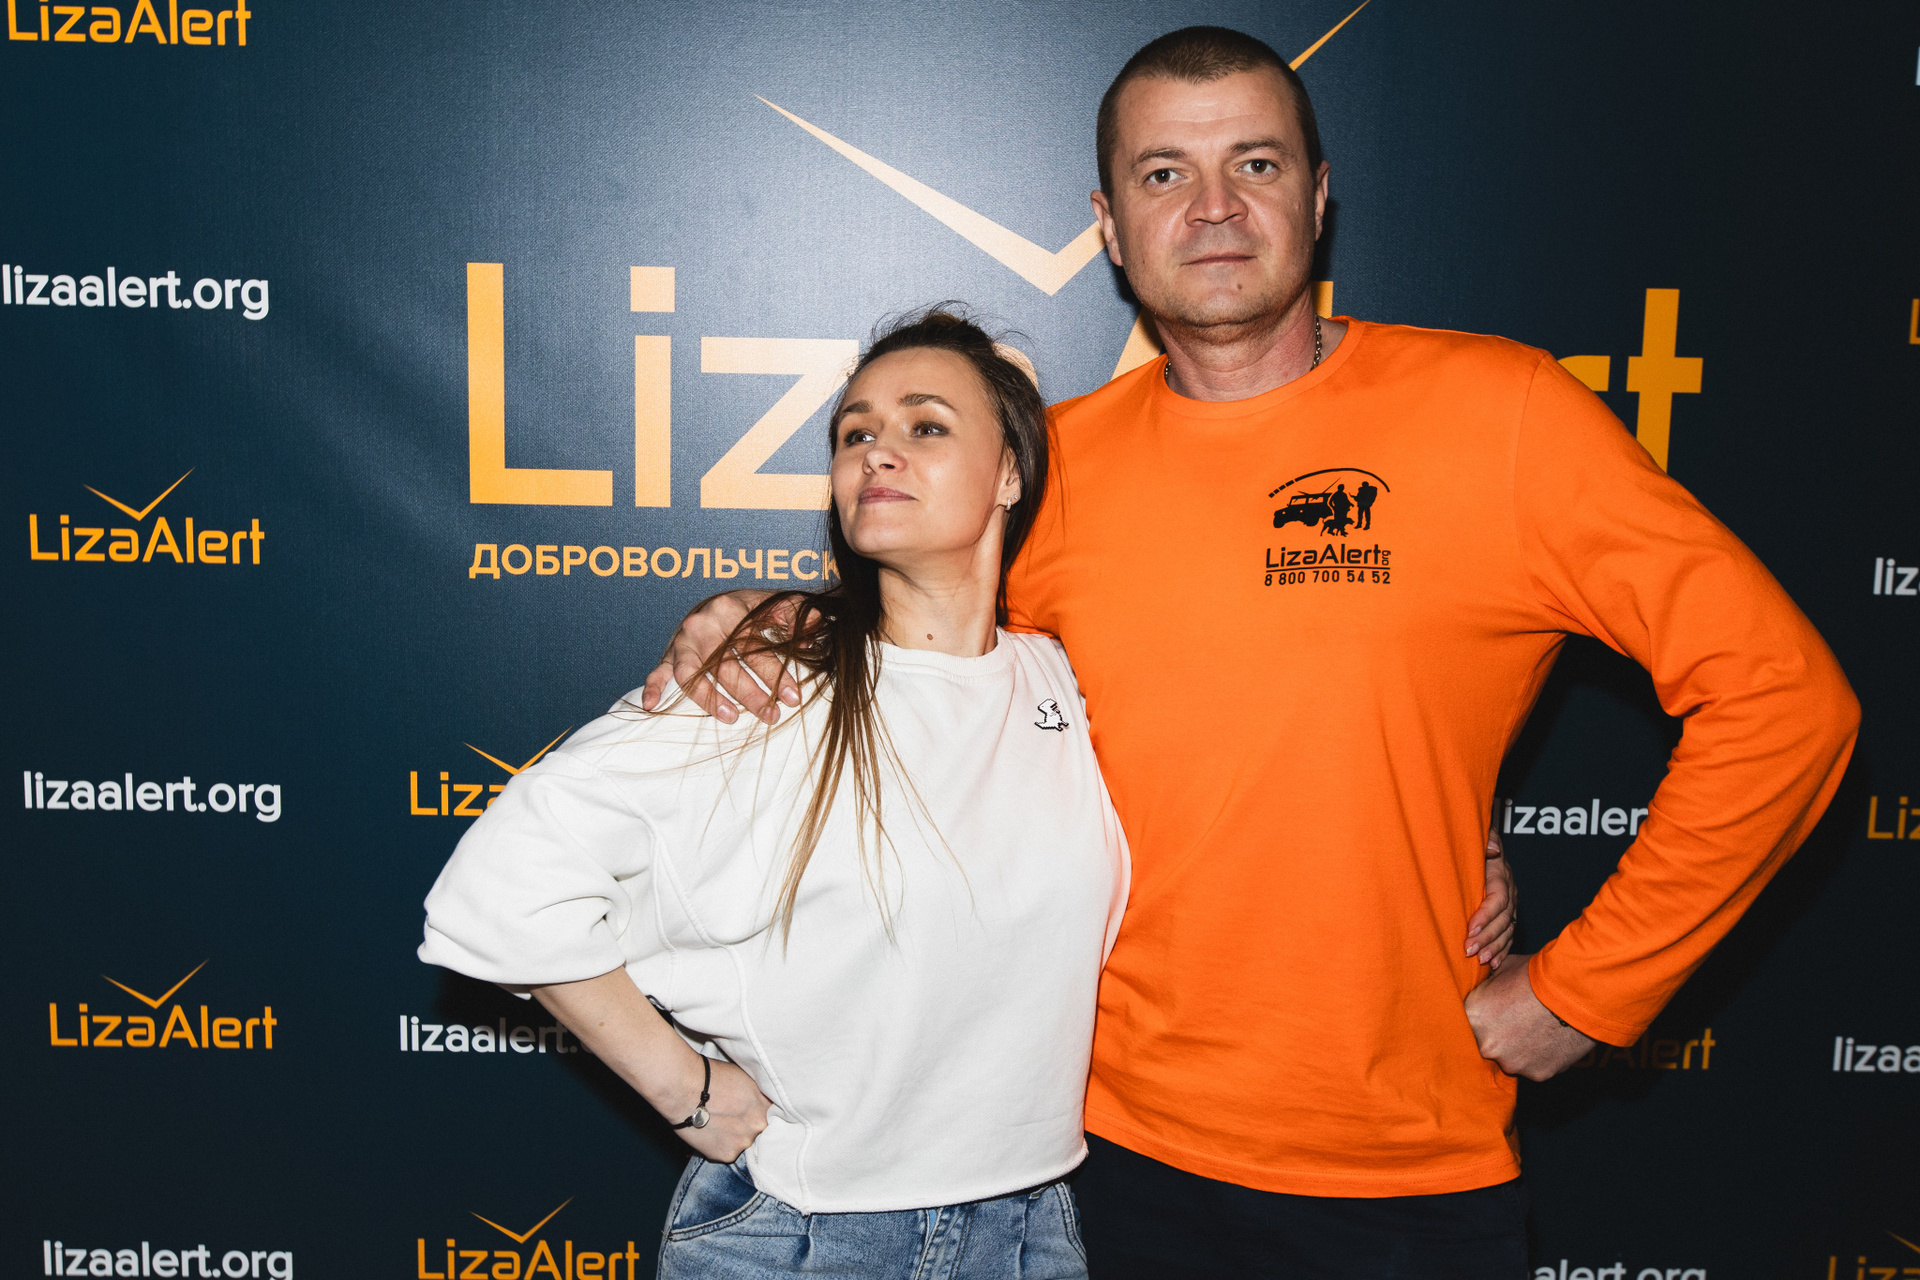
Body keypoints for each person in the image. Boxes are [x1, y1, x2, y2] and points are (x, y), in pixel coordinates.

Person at [643, 26, 1858, 1280]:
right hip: (1082, 1160)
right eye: (1164, 173)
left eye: (1257, 165)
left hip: (1404, 1171)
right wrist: (777, 618)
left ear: (1319, 199)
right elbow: (919, 645)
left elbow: (1784, 700)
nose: (1214, 207)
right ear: (1110, 226)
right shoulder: (1048, 466)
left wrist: (1584, 991)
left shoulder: (1506, 417)